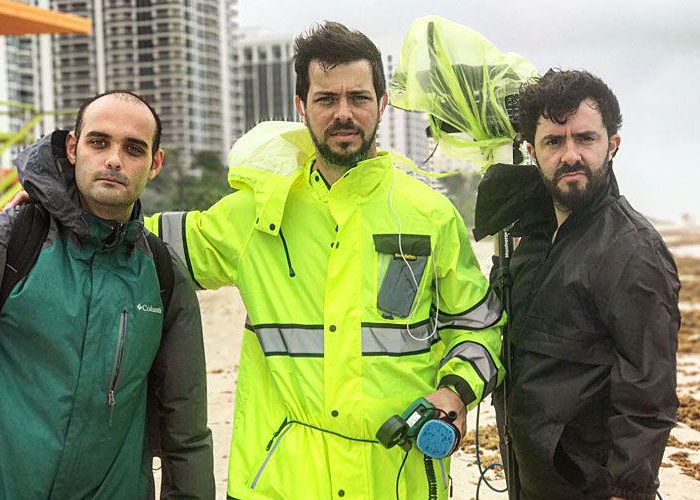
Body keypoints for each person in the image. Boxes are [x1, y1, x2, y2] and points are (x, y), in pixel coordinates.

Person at [145, 22, 504, 499]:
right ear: (301, 107)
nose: (343, 114)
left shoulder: (431, 215)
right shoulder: (256, 213)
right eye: (325, 99)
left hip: (396, 479)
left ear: (382, 103)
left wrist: (454, 392)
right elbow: (136, 240)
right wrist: (59, 206)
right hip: (281, 482)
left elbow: (478, 326)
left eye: (358, 97)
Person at [0, 91, 214, 498]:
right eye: (99, 142)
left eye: (133, 149)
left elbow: (185, 431)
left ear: (155, 164)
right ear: (73, 147)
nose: (114, 159)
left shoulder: (165, 276)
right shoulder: (9, 244)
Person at [485, 70, 680, 499]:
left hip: (593, 488)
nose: (570, 155)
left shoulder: (632, 252)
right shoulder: (532, 237)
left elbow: (648, 401)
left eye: (585, 138)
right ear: (532, 152)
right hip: (531, 477)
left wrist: (628, 492)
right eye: (554, 142)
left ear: (612, 146)